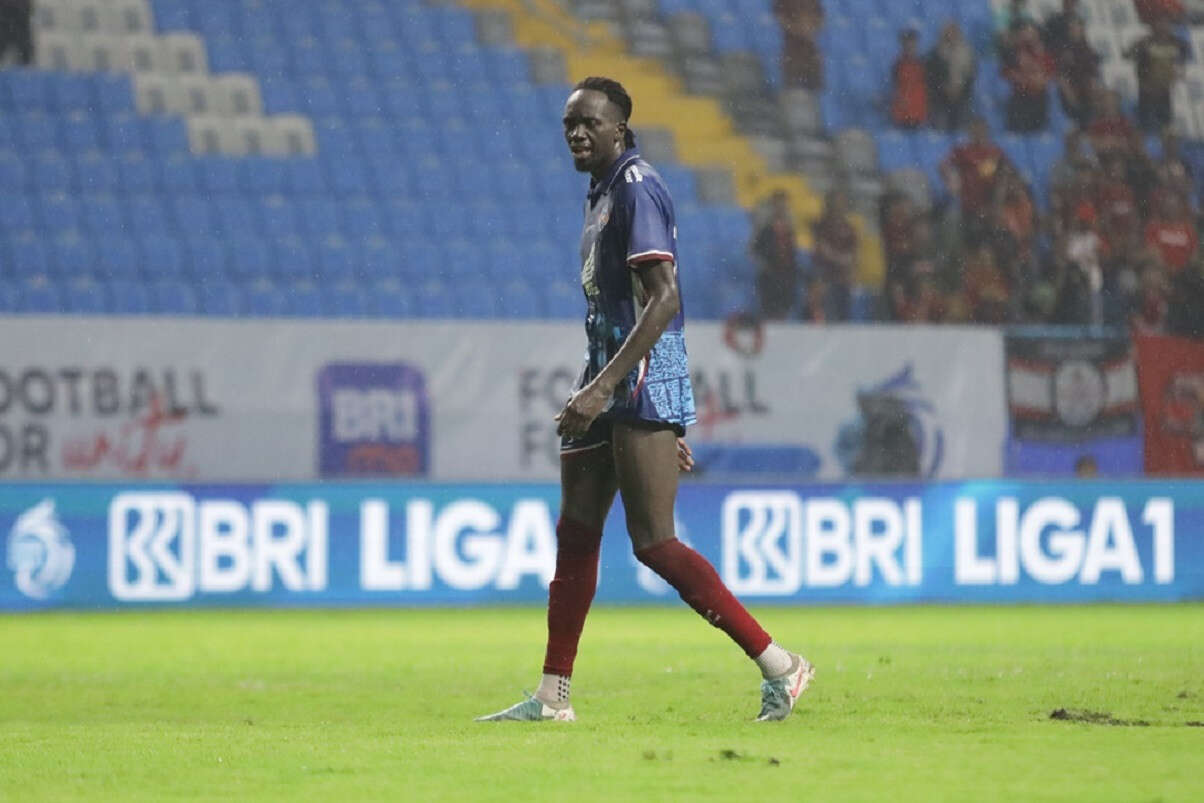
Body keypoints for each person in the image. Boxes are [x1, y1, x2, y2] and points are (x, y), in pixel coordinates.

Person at [477, 77, 814, 724]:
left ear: (620, 129)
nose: (577, 132)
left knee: (653, 541)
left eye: (590, 123)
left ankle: (781, 663)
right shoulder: (602, 192)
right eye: (569, 123)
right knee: (575, 531)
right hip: (607, 371)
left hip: (630, 379)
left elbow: (665, 298)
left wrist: (616, 391)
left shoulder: (635, 188)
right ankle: (553, 695)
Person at [941, 117, 1010, 238]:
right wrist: (952, 179)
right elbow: (943, 166)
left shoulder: (995, 152)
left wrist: (998, 199)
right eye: (975, 130)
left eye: (981, 130)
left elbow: (1005, 173)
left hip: (989, 205)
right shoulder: (962, 151)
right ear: (969, 132)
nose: (978, 133)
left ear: (987, 131)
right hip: (966, 204)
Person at [1125, 17, 1189, 133]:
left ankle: (1166, 137)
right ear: (1152, 28)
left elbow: (1182, 59)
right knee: (1145, 119)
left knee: (1166, 121)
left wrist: (1179, 72)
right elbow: (1127, 55)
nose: (1162, 28)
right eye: (1159, 25)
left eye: (1165, 24)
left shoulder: (1177, 43)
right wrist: (1138, 46)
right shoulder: (1145, 42)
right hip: (1147, 87)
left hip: (1164, 87)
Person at [751, 190, 801, 320]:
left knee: (784, 308)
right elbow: (755, 249)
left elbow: (792, 251)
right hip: (770, 274)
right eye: (778, 204)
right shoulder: (765, 227)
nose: (781, 207)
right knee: (770, 308)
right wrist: (765, 264)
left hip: (786, 274)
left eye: (783, 204)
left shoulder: (789, 228)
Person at [811, 187, 858, 321]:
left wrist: (840, 259)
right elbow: (822, 251)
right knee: (828, 317)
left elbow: (852, 255)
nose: (839, 205)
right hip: (826, 279)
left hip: (843, 279)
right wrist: (840, 259)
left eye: (842, 202)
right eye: (836, 202)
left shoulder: (848, 228)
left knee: (844, 317)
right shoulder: (821, 226)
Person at [1002, 22, 1054, 132]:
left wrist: (1039, 80)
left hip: (1038, 95)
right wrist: (1021, 78)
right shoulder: (1014, 52)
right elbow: (1006, 72)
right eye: (1026, 32)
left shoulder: (1044, 54)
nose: (1029, 36)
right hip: (1020, 94)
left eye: (1032, 33)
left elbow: (1049, 75)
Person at [925, 21, 976, 132]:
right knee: (941, 130)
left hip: (962, 97)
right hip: (941, 99)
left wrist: (960, 88)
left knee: (962, 131)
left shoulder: (966, 52)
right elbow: (932, 75)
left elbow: (971, 74)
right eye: (948, 33)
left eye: (953, 33)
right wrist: (944, 87)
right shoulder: (936, 53)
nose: (951, 36)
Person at [1055, 17, 1101, 125]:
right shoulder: (1063, 49)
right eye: (1072, 28)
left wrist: (1094, 92)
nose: (1075, 31)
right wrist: (1072, 97)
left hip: (1086, 93)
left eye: (1077, 28)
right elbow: (1061, 77)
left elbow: (1094, 75)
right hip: (1070, 94)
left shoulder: (1089, 50)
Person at [774, 0, 825, 90]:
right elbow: (779, 15)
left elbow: (820, 15)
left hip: (807, 43)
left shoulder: (812, 50)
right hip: (792, 42)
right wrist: (797, 30)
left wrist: (809, 30)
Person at [890, 29, 928, 129]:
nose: (910, 47)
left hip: (920, 111)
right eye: (907, 44)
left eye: (912, 44)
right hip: (902, 112)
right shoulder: (898, 65)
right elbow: (897, 88)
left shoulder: (924, 64)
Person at [0, 0, 32, 66]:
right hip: (6, 27)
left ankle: (26, 67)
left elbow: (28, 9)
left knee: (25, 53)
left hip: (19, 28)